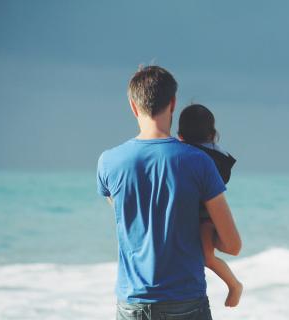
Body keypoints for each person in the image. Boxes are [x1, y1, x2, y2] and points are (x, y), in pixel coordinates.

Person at [96, 65, 241, 320]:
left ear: (133, 106)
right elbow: (232, 245)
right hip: (185, 302)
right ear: (172, 103)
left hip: (132, 304)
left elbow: (131, 221)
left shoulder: (108, 162)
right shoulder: (199, 162)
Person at [178, 104, 243, 307]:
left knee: (207, 257)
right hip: (208, 216)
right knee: (207, 256)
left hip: (205, 216)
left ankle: (234, 285)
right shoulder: (218, 155)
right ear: (213, 133)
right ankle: (234, 285)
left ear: (180, 135)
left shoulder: (186, 154)